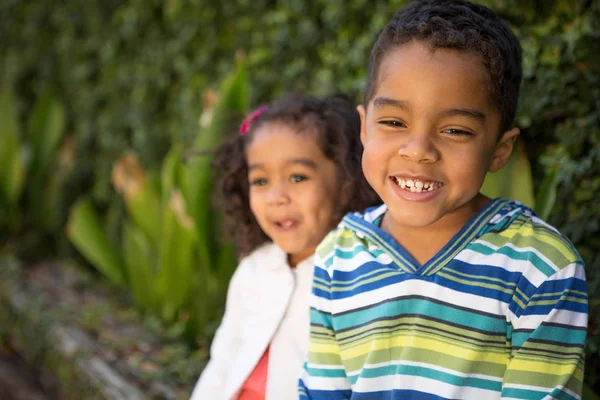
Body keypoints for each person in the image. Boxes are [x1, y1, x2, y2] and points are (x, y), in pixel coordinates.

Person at [298, 1, 588, 399]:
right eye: (394, 122)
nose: (418, 151)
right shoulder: (338, 256)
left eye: (455, 130)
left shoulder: (540, 267)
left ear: (500, 150)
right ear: (364, 127)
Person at [190, 93, 380, 400]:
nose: (276, 196)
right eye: (261, 181)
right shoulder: (253, 268)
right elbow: (222, 364)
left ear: (346, 183)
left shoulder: (359, 278)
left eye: (297, 177)